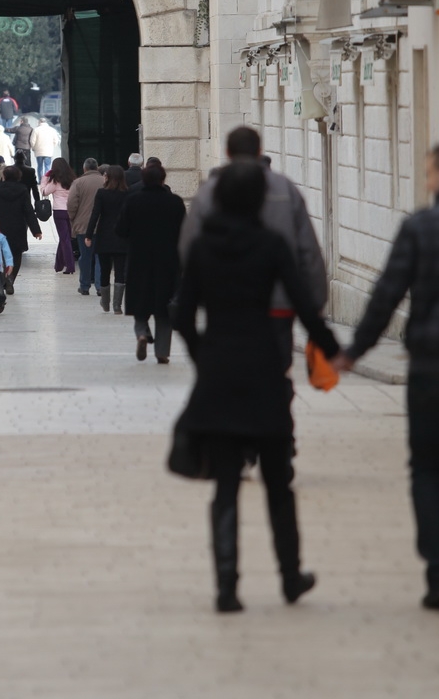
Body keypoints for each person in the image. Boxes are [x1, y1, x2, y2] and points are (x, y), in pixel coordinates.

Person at [172, 161, 339, 613]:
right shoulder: (271, 244)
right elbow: (304, 305)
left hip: (220, 376)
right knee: (278, 483)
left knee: (226, 485)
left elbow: (182, 316)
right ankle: (290, 577)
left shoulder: (203, 248)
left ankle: (227, 588)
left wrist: (203, 356)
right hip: (265, 372)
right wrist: (333, 351)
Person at [336, 140, 439, 615]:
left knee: (426, 470)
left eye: (429, 173)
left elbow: (387, 294)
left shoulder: (420, 226)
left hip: (431, 369)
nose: (428, 182)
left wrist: (354, 351)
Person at [181, 125, 328, 379]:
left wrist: (202, 289)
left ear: (228, 152)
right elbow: (308, 250)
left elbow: (188, 247)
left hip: (225, 305)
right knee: (275, 371)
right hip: (279, 304)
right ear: (260, 150)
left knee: (227, 374)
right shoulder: (285, 189)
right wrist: (315, 301)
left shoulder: (209, 192)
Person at [115, 162, 186, 363]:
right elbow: (184, 231)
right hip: (168, 261)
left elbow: (120, 230)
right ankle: (162, 352)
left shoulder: (133, 201)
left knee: (140, 304)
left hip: (139, 260)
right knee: (164, 310)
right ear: (163, 179)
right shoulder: (174, 202)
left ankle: (142, 333)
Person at [0, 165, 43, 293]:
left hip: (1, 227)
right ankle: (10, 279)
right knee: (16, 255)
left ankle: (4, 277)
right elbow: (28, 210)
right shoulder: (22, 189)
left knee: (2, 254)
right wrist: (36, 230)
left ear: (4, 176)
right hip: (18, 226)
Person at [85, 164, 130, 313]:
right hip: (122, 236)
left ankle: (105, 302)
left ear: (108, 177)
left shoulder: (102, 193)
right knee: (120, 271)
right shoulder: (127, 193)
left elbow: (95, 214)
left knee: (105, 270)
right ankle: (117, 305)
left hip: (104, 235)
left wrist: (88, 235)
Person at [67, 157, 106, 296]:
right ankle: (100, 286)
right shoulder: (105, 181)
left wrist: (73, 219)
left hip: (83, 225)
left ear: (84, 169)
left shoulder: (78, 182)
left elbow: (71, 204)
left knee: (85, 256)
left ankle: (84, 286)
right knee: (101, 257)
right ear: (97, 167)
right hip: (102, 225)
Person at [40, 158, 77, 275]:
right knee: (65, 237)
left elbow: (44, 192)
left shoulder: (55, 181)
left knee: (64, 239)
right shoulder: (73, 180)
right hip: (71, 211)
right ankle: (59, 265)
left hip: (59, 211)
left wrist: (45, 178)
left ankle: (70, 266)